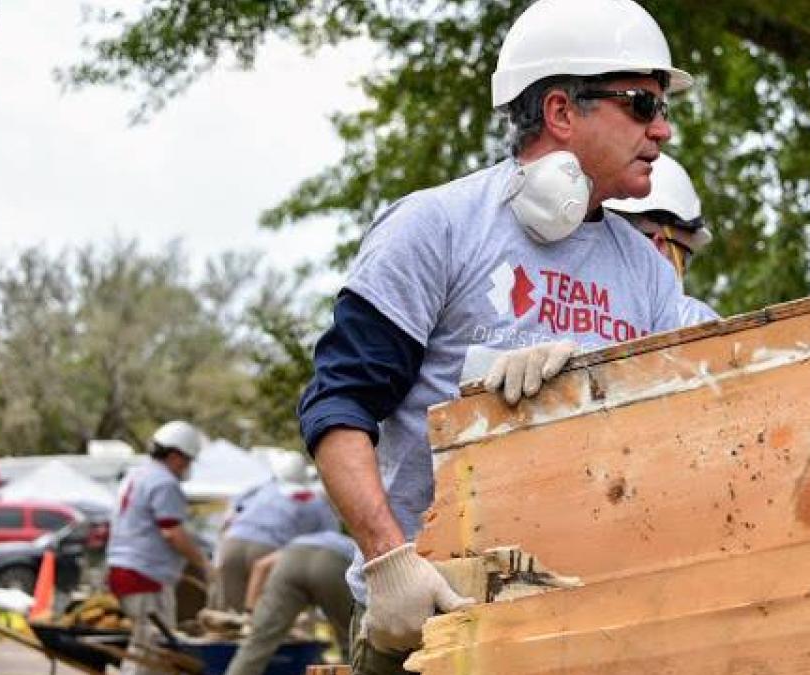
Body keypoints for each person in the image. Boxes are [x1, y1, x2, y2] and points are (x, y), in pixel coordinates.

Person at [296, 0, 697, 672]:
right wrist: (389, 561)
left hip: (593, 625)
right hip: (440, 622)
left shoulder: (649, 279)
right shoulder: (438, 228)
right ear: (562, 112)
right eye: (639, 102)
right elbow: (338, 404)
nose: (662, 129)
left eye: (661, 107)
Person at [106, 421, 211, 675]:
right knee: (152, 653)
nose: (188, 467)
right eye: (188, 460)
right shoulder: (164, 482)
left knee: (141, 647)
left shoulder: (138, 474)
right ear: (175, 455)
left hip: (123, 568)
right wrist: (204, 565)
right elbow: (172, 532)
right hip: (145, 575)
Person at [215, 452, 340, 612]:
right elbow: (331, 538)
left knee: (229, 616)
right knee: (262, 614)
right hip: (267, 550)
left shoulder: (261, 489)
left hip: (232, 545)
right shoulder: (313, 501)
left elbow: (232, 510)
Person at [605, 153, 720, 325]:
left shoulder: (560, 301)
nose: (684, 270)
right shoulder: (688, 318)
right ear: (657, 247)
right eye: (684, 258)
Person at [223, 530, 357, 675]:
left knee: (258, 641)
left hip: (291, 561)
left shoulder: (303, 539)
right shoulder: (354, 546)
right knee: (352, 641)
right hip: (333, 562)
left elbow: (261, 566)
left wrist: (250, 612)